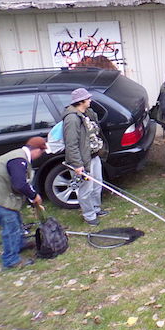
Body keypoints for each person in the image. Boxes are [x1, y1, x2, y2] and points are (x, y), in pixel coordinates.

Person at [0, 136, 47, 270]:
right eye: (42, 152)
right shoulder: (19, 160)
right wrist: (34, 196)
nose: (40, 155)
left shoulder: (19, 156)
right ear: (37, 150)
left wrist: (31, 197)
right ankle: (10, 261)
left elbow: (21, 183)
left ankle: (19, 244)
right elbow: (20, 184)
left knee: (16, 219)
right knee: (11, 227)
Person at [63, 87, 107, 226]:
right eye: (88, 98)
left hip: (93, 155)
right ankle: (89, 216)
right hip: (83, 160)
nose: (90, 100)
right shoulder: (72, 119)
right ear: (81, 101)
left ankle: (96, 209)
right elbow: (71, 144)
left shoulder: (87, 113)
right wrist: (77, 165)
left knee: (97, 184)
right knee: (86, 189)